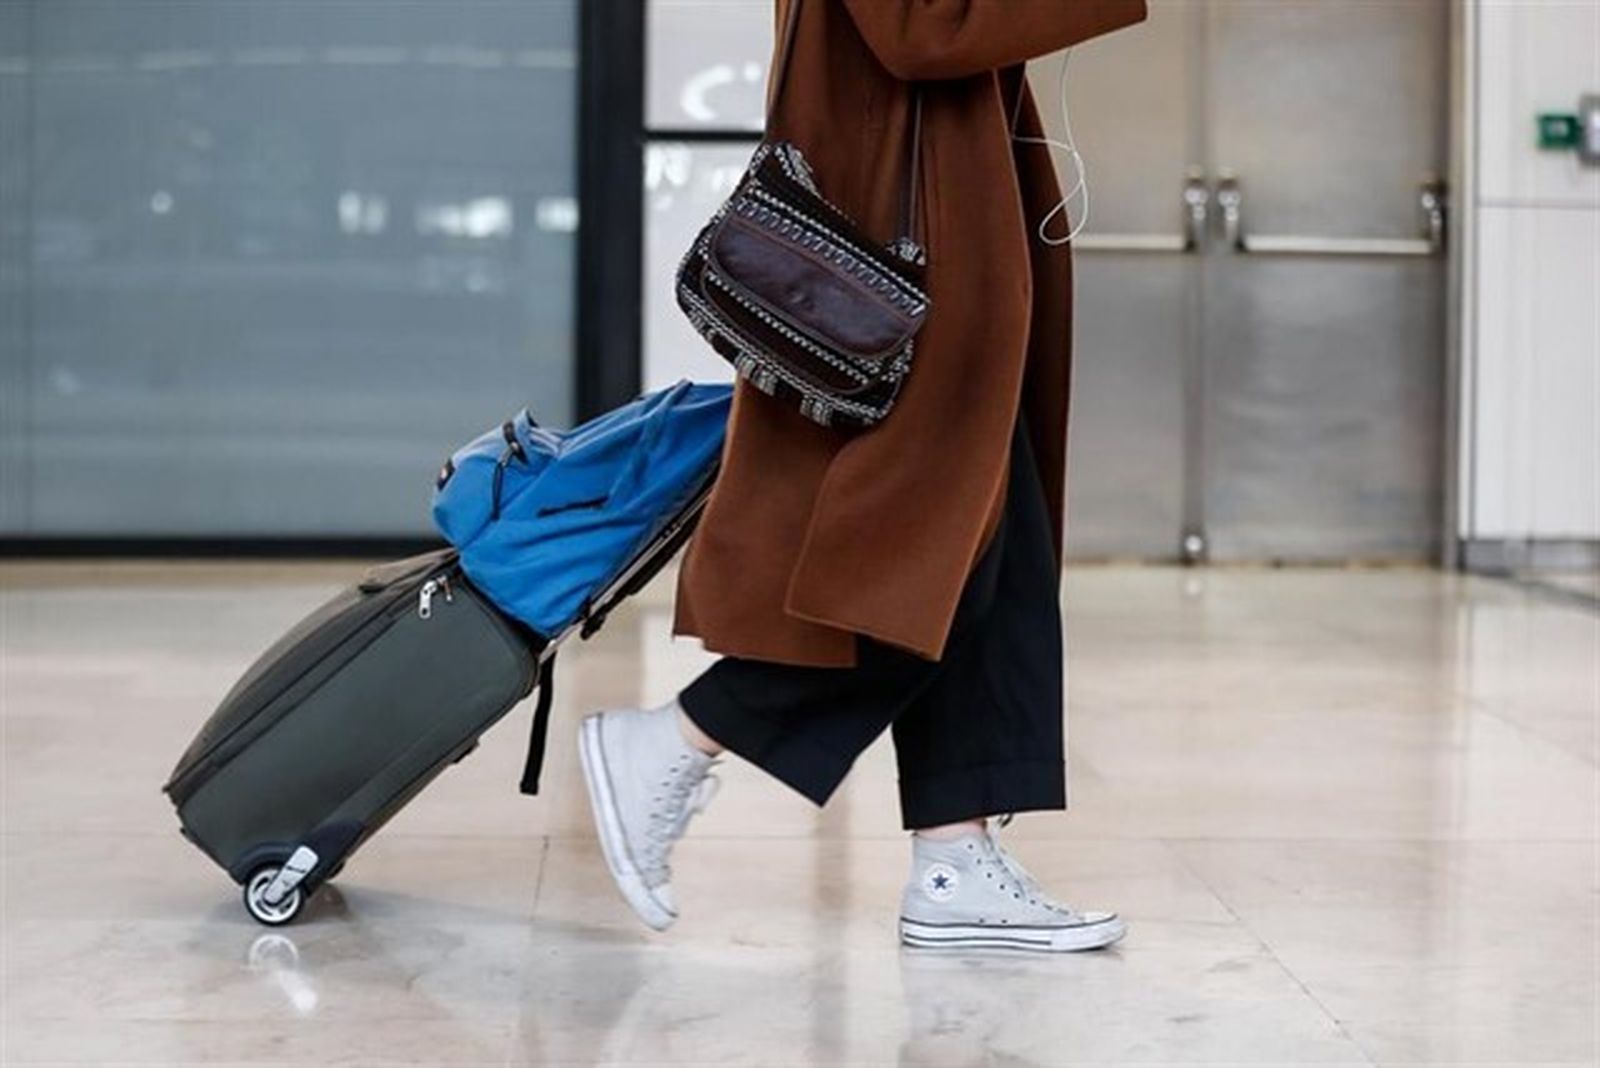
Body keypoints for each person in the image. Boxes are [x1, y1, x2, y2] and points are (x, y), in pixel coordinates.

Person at [578, 0, 1147, 952]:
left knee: (998, 544)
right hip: (908, 253)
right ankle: (680, 736)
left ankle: (953, 857)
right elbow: (918, 32)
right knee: (927, 559)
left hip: (941, 238)